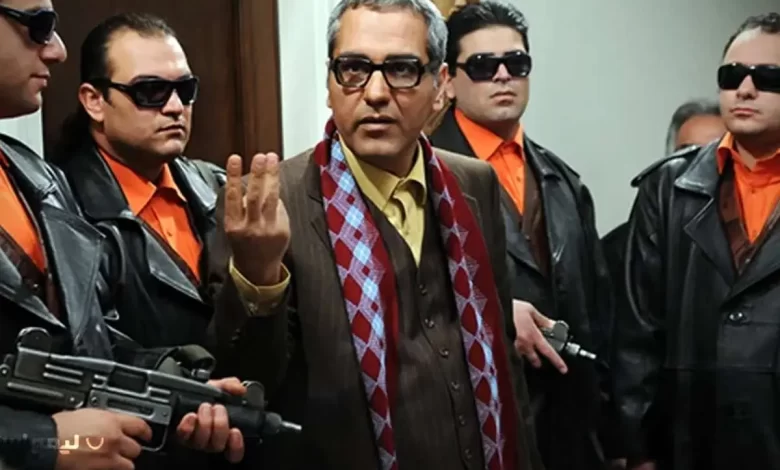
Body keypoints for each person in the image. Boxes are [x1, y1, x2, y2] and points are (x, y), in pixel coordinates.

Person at [208, 0, 541, 468]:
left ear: (441, 85)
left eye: (402, 69)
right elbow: (249, 386)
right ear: (330, 84)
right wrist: (259, 275)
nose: (376, 93)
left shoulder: (473, 183)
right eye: (354, 69)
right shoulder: (267, 203)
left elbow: (503, 358)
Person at [0, 2, 246, 469]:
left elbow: (89, 343)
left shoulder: (35, 176)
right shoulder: (73, 186)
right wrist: (43, 441)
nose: (56, 50)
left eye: (185, 90)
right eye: (37, 25)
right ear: (94, 101)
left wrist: (178, 387)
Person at [427, 2, 614, 469]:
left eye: (517, 63)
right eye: (483, 65)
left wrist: (615, 435)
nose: (503, 76)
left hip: (569, 426)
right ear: (448, 80)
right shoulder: (423, 174)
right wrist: (496, 313)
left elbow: (599, 309)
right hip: (475, 419)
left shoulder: (561, 179)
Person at [614, 12, 780, 470]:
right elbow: (636, 333)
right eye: (732, 76)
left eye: (768, 77)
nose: (745, 89)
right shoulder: (669, 188)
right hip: (688, 440)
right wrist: (637, 448)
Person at [601, 98, 726, 365]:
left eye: (712, 152)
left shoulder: (752, 242)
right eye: (688, 151)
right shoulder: (617, 251)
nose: (699, 163)